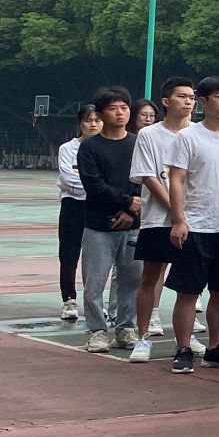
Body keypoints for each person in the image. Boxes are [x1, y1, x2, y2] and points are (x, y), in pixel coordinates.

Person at [163, 77, 219, 374]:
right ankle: (183, 349)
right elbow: (176, 180)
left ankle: (215, 348)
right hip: (196, 225)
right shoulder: (188, 137)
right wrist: (179, 220)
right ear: (203, 101)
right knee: (188, 292)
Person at [130, 78, 195, 362]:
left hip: (194, 220)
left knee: (190, 281)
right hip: (158, 219)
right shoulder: (149, 135)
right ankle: (142, 337)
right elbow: (149, 176)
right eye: (182, 96)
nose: (188, 101)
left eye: (192, 97)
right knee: (151, 275)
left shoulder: (197, 134)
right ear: (166, 102)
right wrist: (176, 211)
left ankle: (186, 336)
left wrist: (186, 215)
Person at [76, 86, 140, 353]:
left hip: (133, 223)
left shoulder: (138, 143)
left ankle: (126, 328)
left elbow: (145, 179)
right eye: (113, 108)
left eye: (124, 107)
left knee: (132, 279)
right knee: (95, 280)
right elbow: (94, 184)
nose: (120, 113)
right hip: (98, 225)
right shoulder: (89, 147)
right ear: (101, 114)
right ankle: (97, 331)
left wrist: (131, 210)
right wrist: (126, 201)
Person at [55, 108, 100, 321]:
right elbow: (68, 180)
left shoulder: (105, 148)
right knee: (69, 254)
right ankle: (69, 300)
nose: (93, 124)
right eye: (88, 120)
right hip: (72, 206)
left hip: (98, 206)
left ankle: (94, 303)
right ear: (80, 123)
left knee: (97, 258)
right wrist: (97, 187)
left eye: (97, 120)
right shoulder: (67, 149)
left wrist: (97, 188)